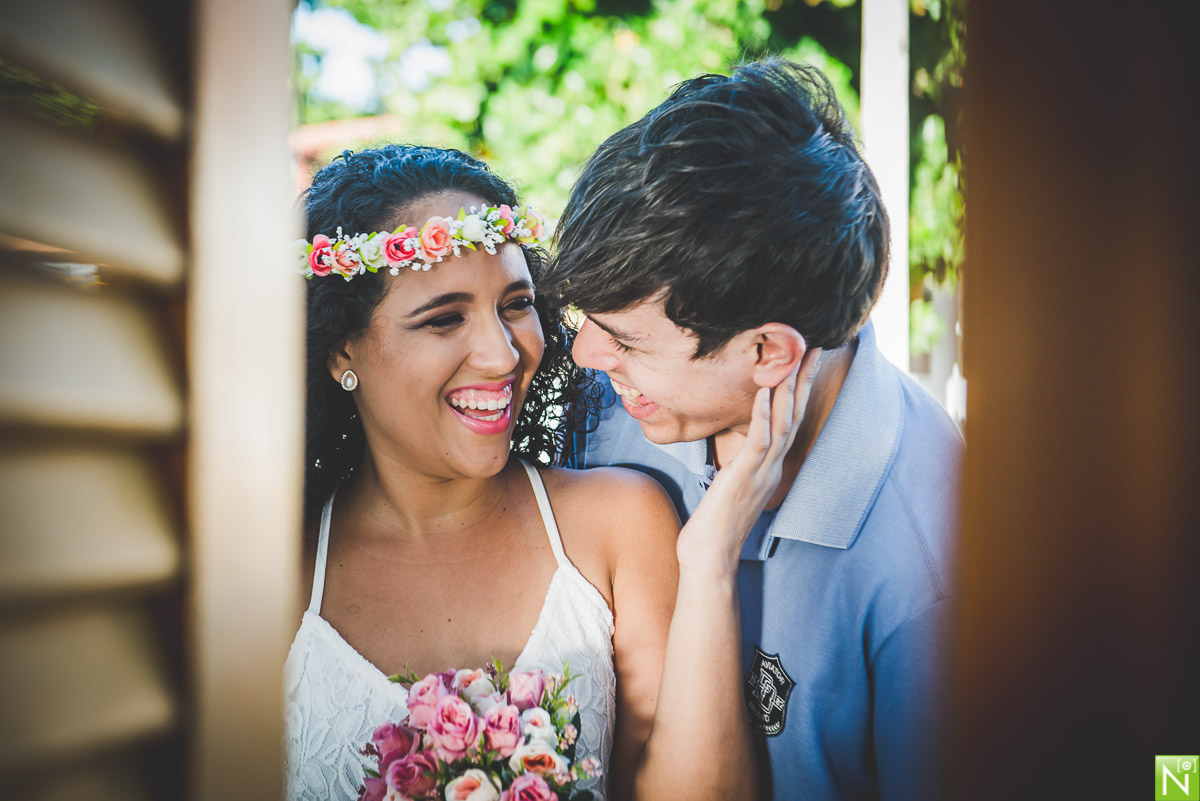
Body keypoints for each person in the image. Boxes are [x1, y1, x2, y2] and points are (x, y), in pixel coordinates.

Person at [283, 144, 813, 801]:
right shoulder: (276, 572)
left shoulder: (620, 524)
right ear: (341, 348)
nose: (502, 353)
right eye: (445, 318)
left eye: (515, 303)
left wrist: (707, 562)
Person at [541, 59, 962, 801]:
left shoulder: (936, 565)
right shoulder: (611, 407)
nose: (583, 357)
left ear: (768, 352)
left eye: (626, 341)